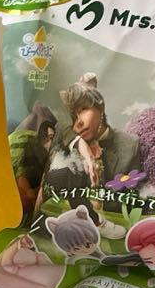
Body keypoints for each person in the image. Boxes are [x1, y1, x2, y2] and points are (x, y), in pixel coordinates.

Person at [47, 75, 141, 238]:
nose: (78, 122)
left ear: (101, 109)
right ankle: (94, 220)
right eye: (73, 114)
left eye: (83, 109)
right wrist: (82, 148)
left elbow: (132, 199)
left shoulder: (129, 145)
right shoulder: (64, 134)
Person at [8, 103, 57, 219]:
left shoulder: (29, 152)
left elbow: (22, 176)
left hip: (22, 140)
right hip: (21, 142)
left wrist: (31, 192)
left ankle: (39, 109)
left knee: (40, 113)